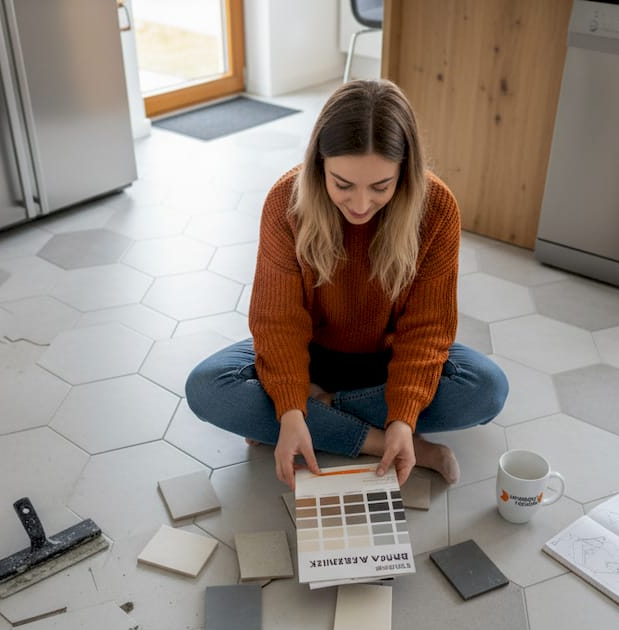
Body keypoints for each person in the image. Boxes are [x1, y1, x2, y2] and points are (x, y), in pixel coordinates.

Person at [185, 79, 508, 488]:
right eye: (342, 184)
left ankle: (320, 413)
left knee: (486, 390)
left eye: (380, 187)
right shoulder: (286, 201)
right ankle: (374, 440)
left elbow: (428, 328)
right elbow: (277, 321)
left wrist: (403, 416)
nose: (360, 205)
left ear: (404, 172)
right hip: (310, 354)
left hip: (387, 361)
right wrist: (289, 408)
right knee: (207, 388)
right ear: (319, 163)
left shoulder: (437, 208)